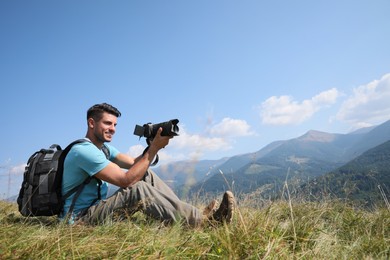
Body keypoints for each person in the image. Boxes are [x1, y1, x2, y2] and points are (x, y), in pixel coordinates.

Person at [61, 103, 235, 227]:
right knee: (137, 189)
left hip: (96, 210)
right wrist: (153, 149)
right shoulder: (83, 151)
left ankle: (189, 217)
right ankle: (206, 222)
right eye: (107, 123)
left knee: (146, 174)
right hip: (79, 221)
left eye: (115, 124)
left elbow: (135, 164)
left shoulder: (104, 149)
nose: (113, 128)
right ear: (91, 123)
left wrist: (153, 146)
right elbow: (125, 180)